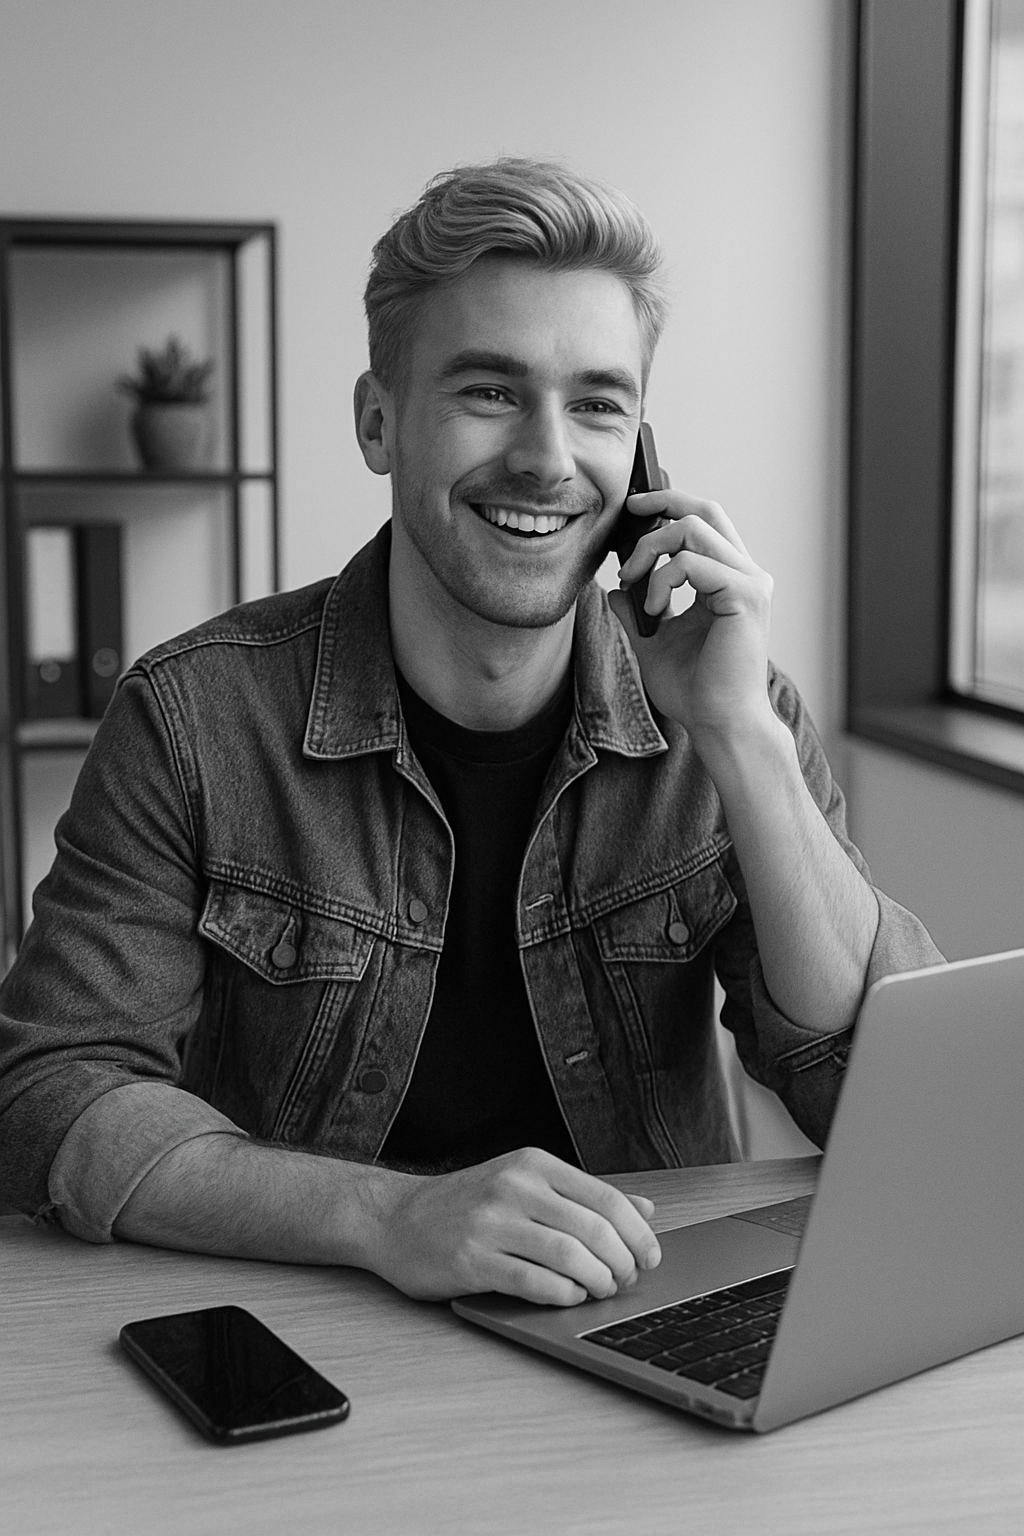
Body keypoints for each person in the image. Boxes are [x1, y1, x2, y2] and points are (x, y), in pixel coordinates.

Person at [0, 159, 941, 1309]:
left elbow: (892, 1103)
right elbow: (53, 1086)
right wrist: (384, 1214)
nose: (549, 457)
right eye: (490, 391)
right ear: (377, 420)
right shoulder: (194, 720)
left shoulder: (733, 715)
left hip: (639, 1320)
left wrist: (741, 735)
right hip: (308, 1326)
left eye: (598, 403)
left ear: (643, 453)